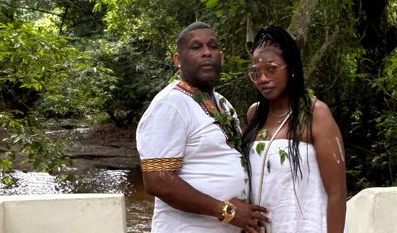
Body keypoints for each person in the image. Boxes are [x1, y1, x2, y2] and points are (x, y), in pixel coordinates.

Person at [137, 21, 270, 233]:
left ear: (222, 56)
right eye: (196, 47)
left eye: (213, 46)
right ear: (178, 60)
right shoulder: (171, 103)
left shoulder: (222, 103)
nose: (207, 52)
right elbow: (157, 181)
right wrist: (228, 211)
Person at [242, 25, 347, 233]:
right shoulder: (254, 115)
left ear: (290, 69)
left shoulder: (315, 113)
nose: (263, 78)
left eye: (271, 69)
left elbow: (337, 194)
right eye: (256, 73)